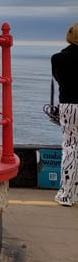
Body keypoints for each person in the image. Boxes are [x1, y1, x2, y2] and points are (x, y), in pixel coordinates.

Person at [51, 22, 78, 206]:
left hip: (69, 105)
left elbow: (58, 79)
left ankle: (67, 194)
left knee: (71, 147)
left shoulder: (57, 58)